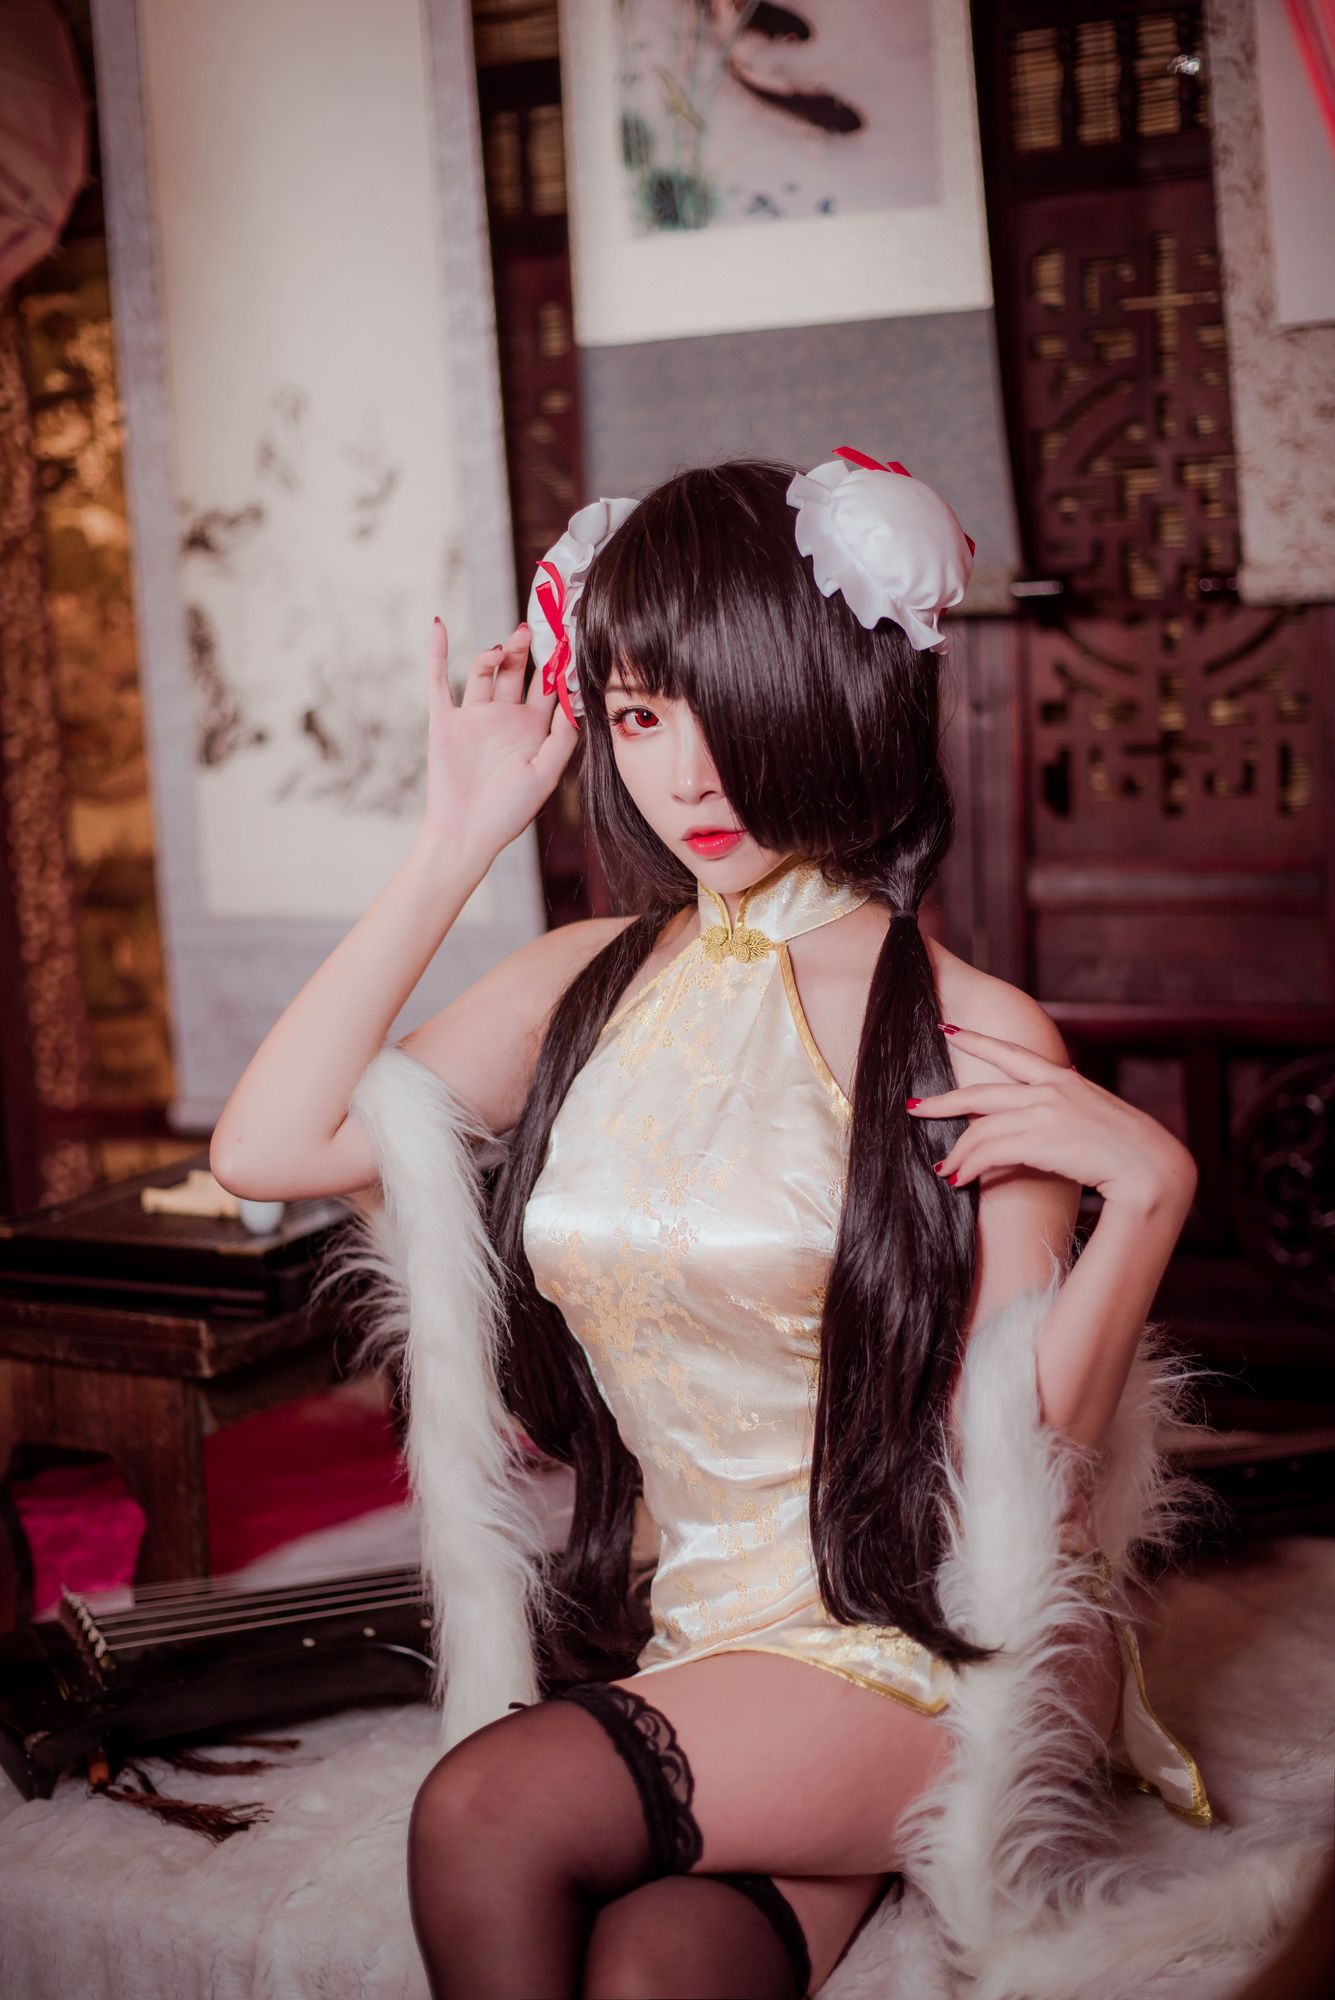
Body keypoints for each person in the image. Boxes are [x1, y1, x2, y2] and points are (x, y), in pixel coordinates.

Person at [212, 453, 1211, 1998]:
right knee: (654, 1975)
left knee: (485, 1809)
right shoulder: (585, 980)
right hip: (697, 1647)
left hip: (925, 1644)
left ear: (826, 702)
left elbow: (1025, 1473)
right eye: (637, 718)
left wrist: (1148, 1198)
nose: (687, 778)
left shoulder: (966, 1026)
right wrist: (456, 835)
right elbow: (268, 1146)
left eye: (725, 709)